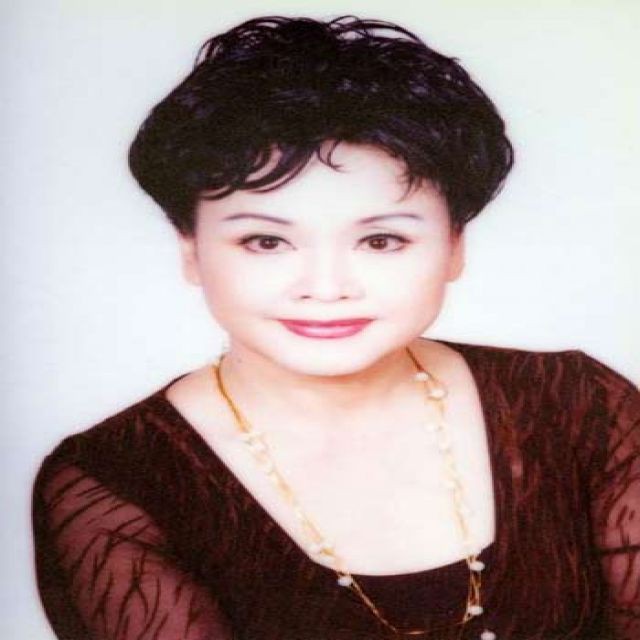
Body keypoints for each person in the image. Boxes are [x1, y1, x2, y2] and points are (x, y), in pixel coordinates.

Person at [31, 14, 639, 640]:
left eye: (381, 240)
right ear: (191, 249)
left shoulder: (580, 406)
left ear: (455, 246)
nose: (326, 287)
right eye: (266, 241)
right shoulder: (117, 482)